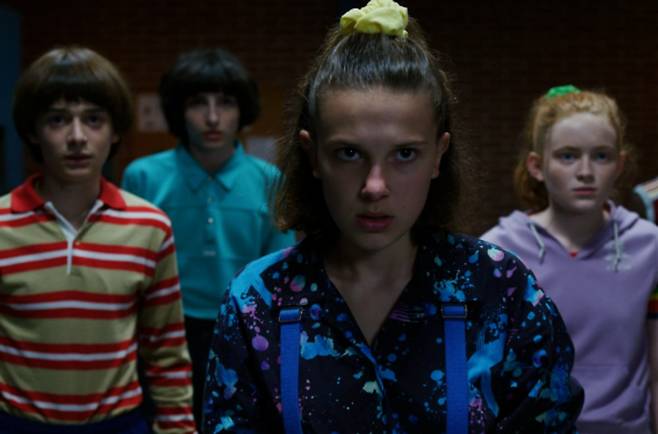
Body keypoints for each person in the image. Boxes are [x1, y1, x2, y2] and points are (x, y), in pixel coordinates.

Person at [203, 1, 583, 432]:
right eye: (349, 153)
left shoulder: (497, 290)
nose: (374, 186)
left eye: (404, 154)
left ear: (438, 155)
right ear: (313, 155)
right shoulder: (260, 301)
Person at [1, 47, 195, 433]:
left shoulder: (149, 227)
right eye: (57, 120)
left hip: (119, 424)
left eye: (93, 119)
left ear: (115, 130)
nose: (77, 137)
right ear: (33, 131)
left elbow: (166, 352)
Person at [121, 48, 295, 426]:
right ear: (179, 111)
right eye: (198, 103)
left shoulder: (270, 181)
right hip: (162, 334)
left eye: (226, 103)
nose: (213, 117)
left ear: (242, 109)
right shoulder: (143, 177)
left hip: (245, 330)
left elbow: (279, 279)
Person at [482, 85, 658, 433]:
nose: (586, 171)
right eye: (567, 156)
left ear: (620, 165)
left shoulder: (650, 247)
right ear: (537, 166)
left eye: (602, 156)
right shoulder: (499, 252)